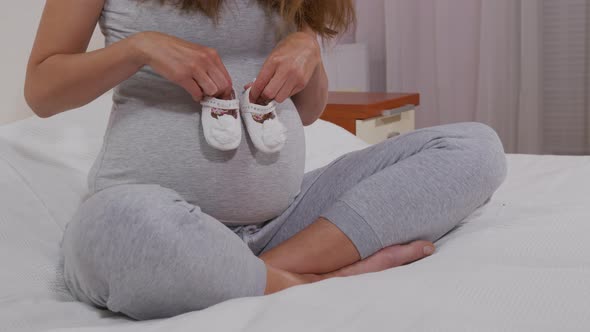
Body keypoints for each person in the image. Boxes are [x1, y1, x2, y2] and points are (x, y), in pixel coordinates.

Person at [25, 0, 507, 320]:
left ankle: (255, 273)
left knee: (473, 148)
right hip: (151, 215)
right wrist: (139, 48)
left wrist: (310, 52)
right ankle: (323, 278)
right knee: (116, 225)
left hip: (282, 221)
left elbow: (311, 110)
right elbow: (42, 92)